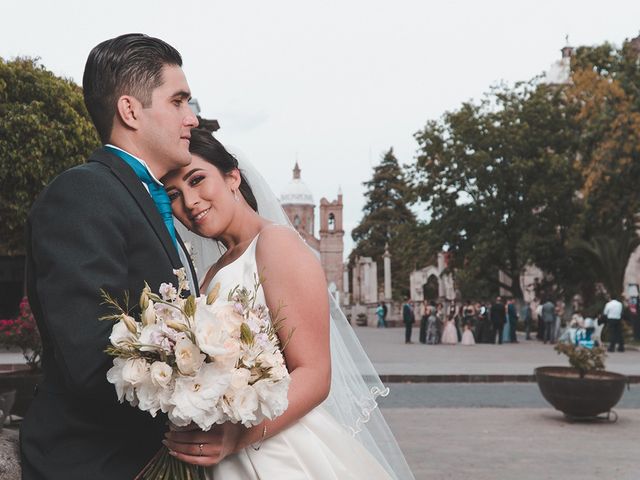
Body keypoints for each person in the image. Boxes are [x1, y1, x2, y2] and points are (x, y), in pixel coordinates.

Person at [162, 130, 414, 479]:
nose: (189, 202)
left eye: (197, 180)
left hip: (275, 451)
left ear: (233, 176)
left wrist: (237, 437)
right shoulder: (212, 270)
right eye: (174, 194)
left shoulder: (276, 243)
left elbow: (315, 374)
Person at [21, 34, 200, 479]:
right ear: (130, 110)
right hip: (103, 462)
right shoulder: (82, 193)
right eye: (178, 101)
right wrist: (205, 390)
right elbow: (93, 358)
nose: (192, 118)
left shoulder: (148, 197)